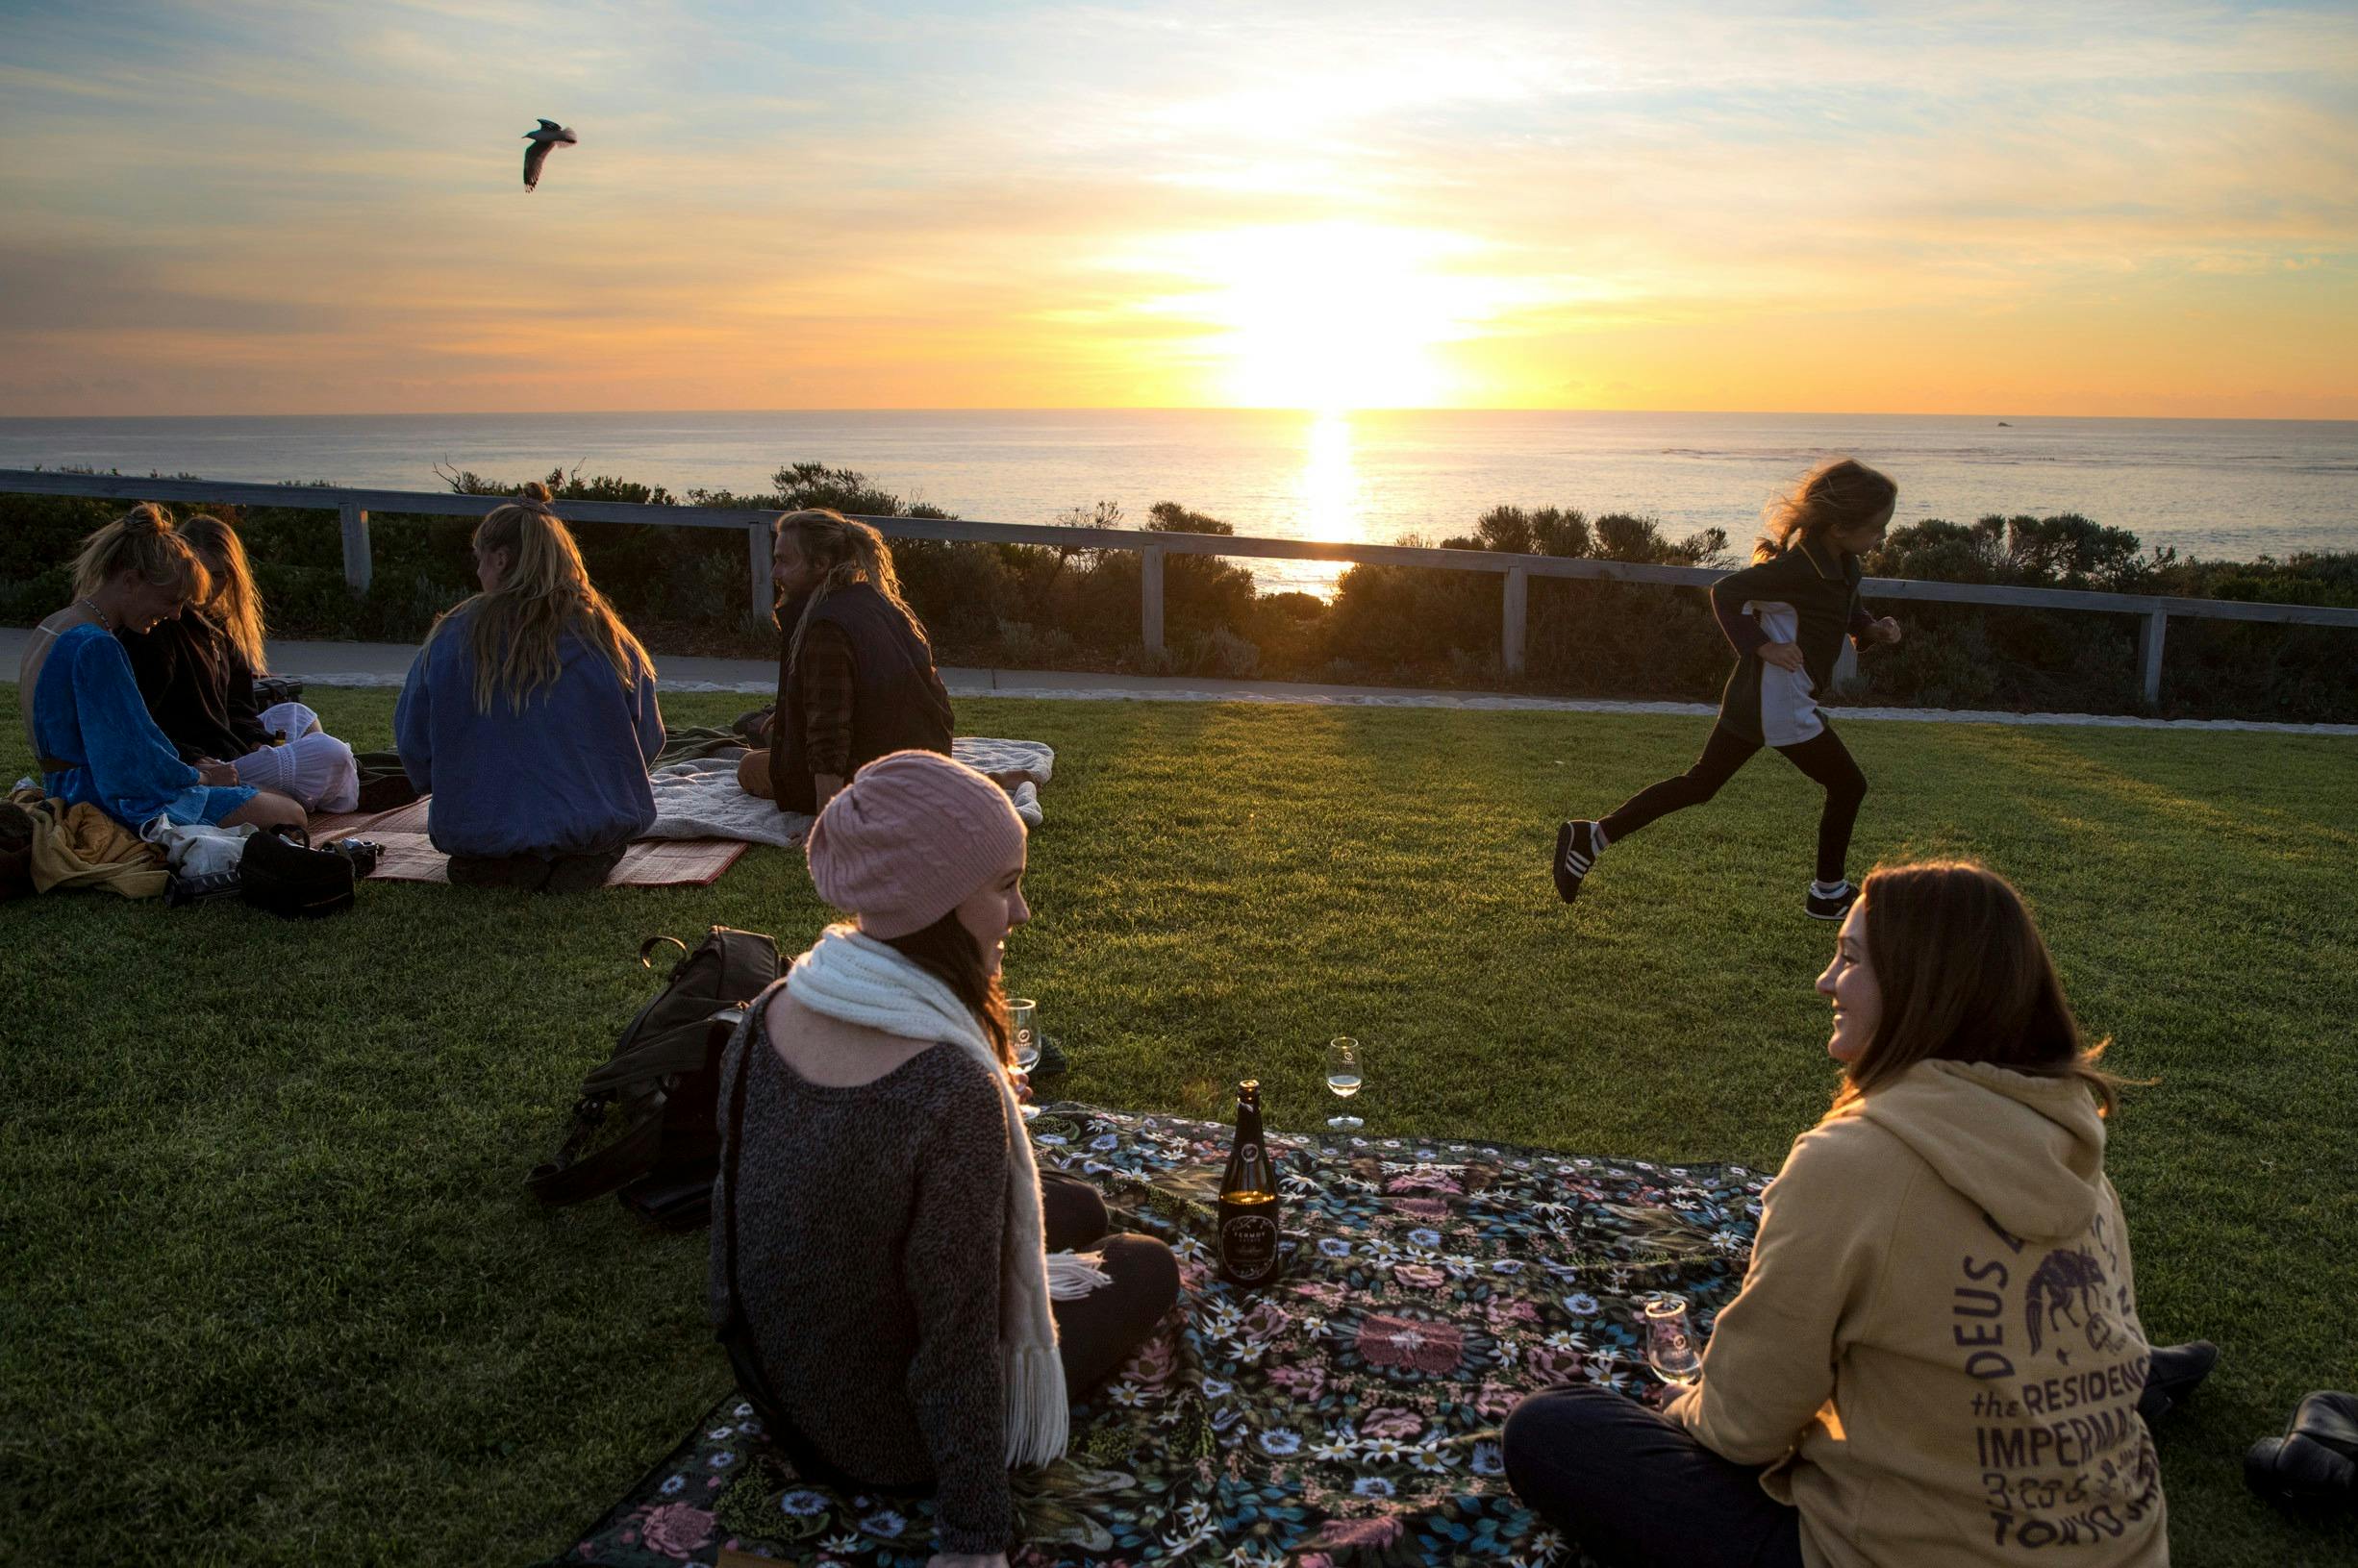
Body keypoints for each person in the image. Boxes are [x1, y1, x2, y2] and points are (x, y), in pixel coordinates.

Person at [1503, 859, 2213, 1568]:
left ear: (1921, 987)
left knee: (1556, 1429)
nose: (1824, 981)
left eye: (1848, 958)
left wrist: (1685, 1403)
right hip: (2125, 1549)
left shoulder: (1853, 1161)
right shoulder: (2074, 1147)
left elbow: (1744, 1426)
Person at [712, 750, 1179, 1568]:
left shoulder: (773, 1008)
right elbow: (955, 1340)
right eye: (1003, 886)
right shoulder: (946, 1088)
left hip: (783, 1388)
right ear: (930, 903)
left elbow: (730, 1238)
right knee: (1143, 1264)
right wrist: (972, 1537)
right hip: (888, 1437)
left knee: (1072, 1207)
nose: (1022, 911)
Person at [1553, 458, 1906, 921]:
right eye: (1877, 528)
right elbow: (1726, 592)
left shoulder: (1844, 564)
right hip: (1777, 700)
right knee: (1848, 784)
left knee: (1701, 784)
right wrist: (1762, 646)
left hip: (1758, 699)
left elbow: (1846, 610)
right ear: (1839, 526)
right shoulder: (1796, 570)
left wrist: (1871, 630)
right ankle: (1827, 892)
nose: (1882, 537)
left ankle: (1593, 836)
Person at [393, 483, 663, 891]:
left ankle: (508, 856)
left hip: (481, 837)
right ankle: (569, 858)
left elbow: (414, 744)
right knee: (586, 846)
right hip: (589, 833)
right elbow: (647, 739)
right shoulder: (606, 635)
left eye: (479, 559)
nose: (478, 570)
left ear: (500, 560)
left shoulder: (451, 634)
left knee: (489, 856)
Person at [18, 504, 304, 834]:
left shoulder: (54, 625)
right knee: (290, 811)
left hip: (65, 786)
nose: (175, 616)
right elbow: (130, 764)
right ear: (130, 582)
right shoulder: (97, 646)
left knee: (268, 797)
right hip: (101, 797)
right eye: (170, 600)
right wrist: (206, 777)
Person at [118, 512, 360, 813]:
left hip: (227, 745)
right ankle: (282, 798)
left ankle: (285, 795)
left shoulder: (217, 628)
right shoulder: (160, 628)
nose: (209, 586)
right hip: (204, 763)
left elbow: (239, 706)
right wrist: (195, 761)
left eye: (219, 576)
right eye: (203, 573)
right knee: (330, 753)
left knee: (297, 714)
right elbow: (141, 726)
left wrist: (256, 740)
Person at [735, 509, 954, 815]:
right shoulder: (887, 606)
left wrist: (831, 823)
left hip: (874, 784)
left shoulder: (828, 626)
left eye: (783, 561)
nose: (774, 574)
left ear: (820, 564)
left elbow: (829, 739)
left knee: (749, 766)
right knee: (769, 734)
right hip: (924, 773)